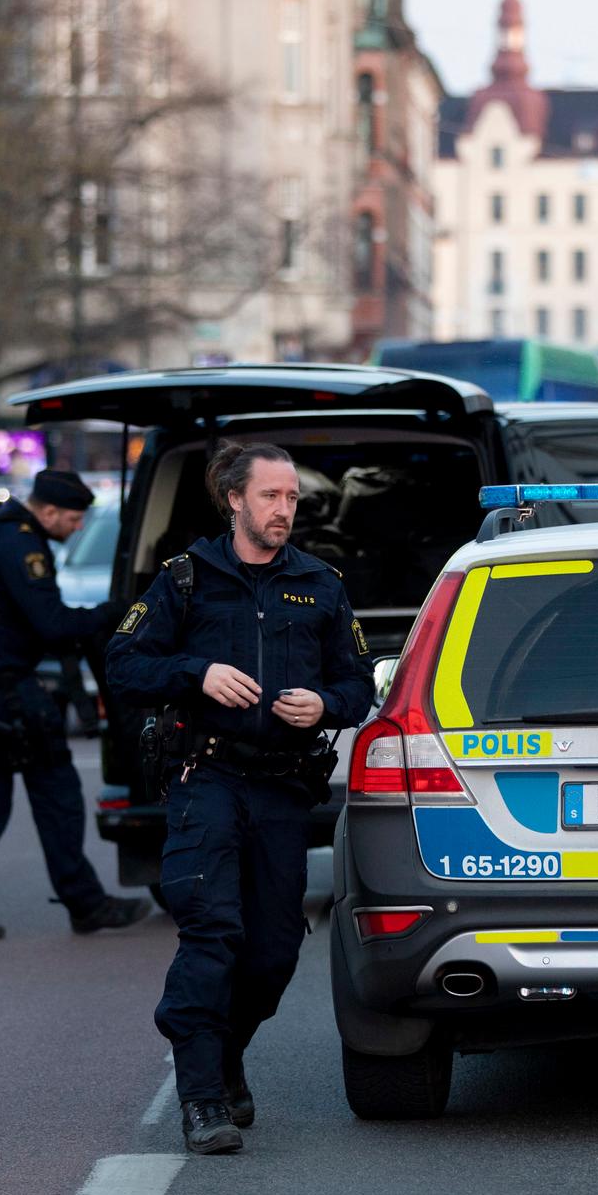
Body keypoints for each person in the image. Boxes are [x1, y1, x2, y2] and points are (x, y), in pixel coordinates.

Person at [105, 443, 373, 1154]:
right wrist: (196, 673)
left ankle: (224, 1060)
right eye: (270, 496)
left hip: (283, 788)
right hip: (208, 781)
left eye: (291, 498)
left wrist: (324, 703)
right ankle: (200, 1100)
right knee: (212, 935)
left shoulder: (319, 584)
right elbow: (123, 663)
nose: (285, 509)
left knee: (273, 954)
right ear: (234, 498)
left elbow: (360, 684)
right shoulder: (186, 580)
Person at [0, 469, 152, 942]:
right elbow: (52, 624)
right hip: (5, 690)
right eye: (73, 519)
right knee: (58, 793)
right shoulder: (21, 544)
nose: (77, 528)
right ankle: (86, 903)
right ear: (48, 511)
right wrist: (109, 615)